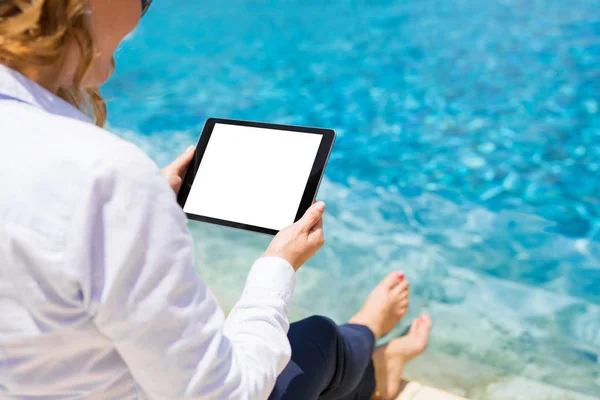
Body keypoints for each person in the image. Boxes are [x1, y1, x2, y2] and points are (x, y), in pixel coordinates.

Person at [0, 1, 432, 399]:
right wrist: (278, 266)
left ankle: (375, 361)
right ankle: (372, 342)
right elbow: (226, 393)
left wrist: (141, 214)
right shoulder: (102, 177)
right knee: (318, 341)